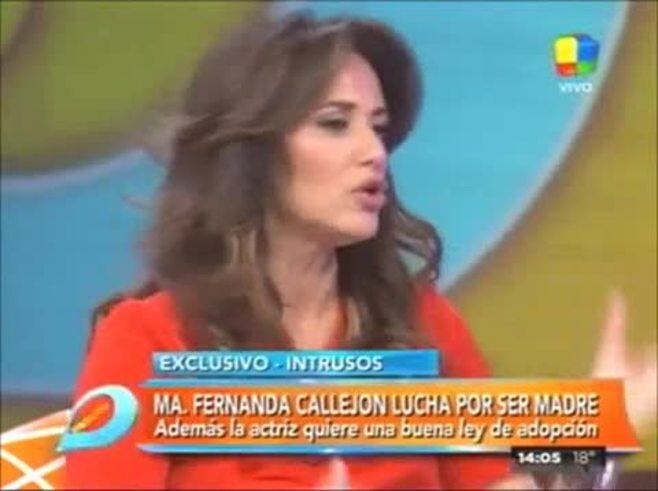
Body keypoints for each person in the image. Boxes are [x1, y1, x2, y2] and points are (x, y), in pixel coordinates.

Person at [65, 10, 656, 490]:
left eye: (378, 126)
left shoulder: (419, 323)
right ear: (253, 153)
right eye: (334, 123)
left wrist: (597, 433)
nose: (374, 151)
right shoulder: (145, 340)